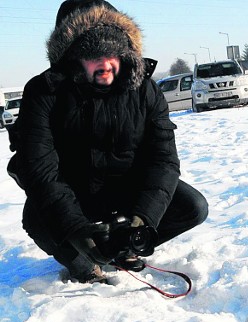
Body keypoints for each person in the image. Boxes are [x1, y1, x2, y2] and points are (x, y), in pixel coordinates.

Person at [6, 0, 208, 283]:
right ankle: (83, 263)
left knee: (192, 206)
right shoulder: (44, 92)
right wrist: (75, 228)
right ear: (72, 57)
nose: (104, 63)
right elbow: (41, 171)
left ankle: (125, 247)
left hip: (127, 188)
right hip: (74, 191)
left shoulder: (145, 89)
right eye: (91, 54)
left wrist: (143, 219)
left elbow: (163, 159)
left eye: (112, 52)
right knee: (38, 219)